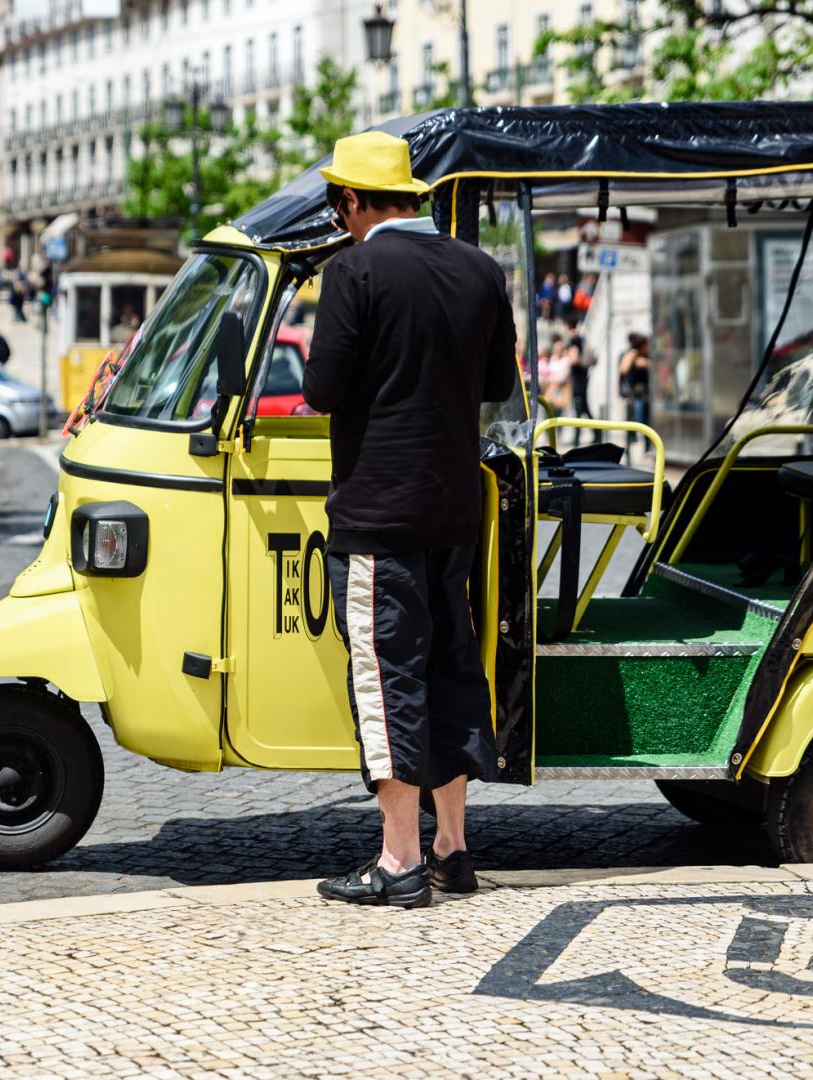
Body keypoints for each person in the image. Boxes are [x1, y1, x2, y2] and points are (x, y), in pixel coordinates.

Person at [303, 131, 519, 910]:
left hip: (377, 511)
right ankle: (452, 847)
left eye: (337, 203)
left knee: (386, 673)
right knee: (450, 667)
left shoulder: (353, 271)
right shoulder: (480, 269)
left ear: (353, 201)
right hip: (455, 507)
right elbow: (497, 380)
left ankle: (396, 861)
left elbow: (323, 391)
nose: (337, 217)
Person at [618, 332, 652, 455]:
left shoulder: (647, 356)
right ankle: (631, 443)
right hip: (635, 395)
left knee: (647, 422)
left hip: (647, 395)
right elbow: (623, 369)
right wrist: (633, 356)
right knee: (635, 419)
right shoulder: (631, 355)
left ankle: (647, 448)